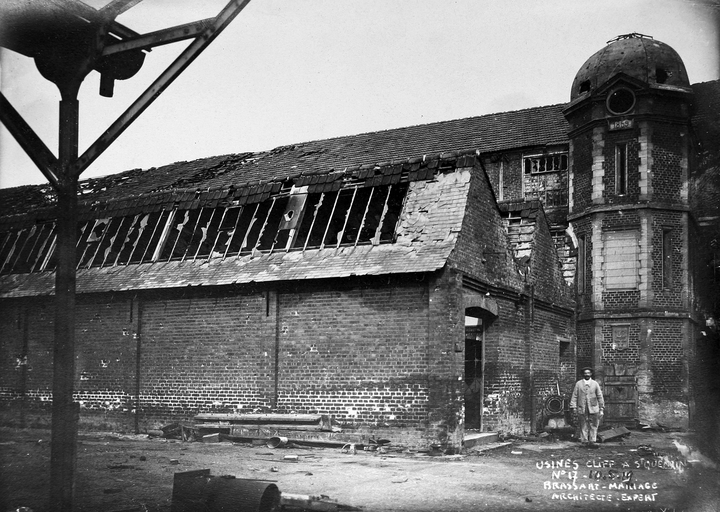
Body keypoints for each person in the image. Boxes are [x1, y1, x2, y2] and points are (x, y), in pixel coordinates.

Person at [570, 367, 605, 446]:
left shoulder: (595, 384)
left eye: (588, 373)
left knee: (594, 424)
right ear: (583, 374)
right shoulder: (578, 384)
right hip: (582, 407)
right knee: (583, 424)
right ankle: (584, 441)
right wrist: (574, 407)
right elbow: (575, 395)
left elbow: (600, 396)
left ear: (591, 374)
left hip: (593, 407)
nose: (587, 374)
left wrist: (601, 408)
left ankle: (592, 441)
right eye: (585, 373)